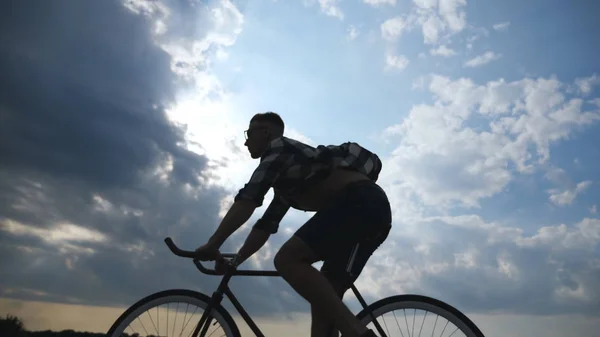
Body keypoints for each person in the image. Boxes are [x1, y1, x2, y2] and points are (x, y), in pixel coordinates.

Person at [194, 112, 392, 337]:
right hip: (367, 210)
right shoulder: (289, 178)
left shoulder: (279, 149)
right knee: (324, 304)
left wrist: (213, 243)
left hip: (360, 204)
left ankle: (357, 332)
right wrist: (236, 262)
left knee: (287, 259)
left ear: (265, 132)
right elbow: (266, 225)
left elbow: (248, 199)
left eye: (249, 134)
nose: (246, 141)